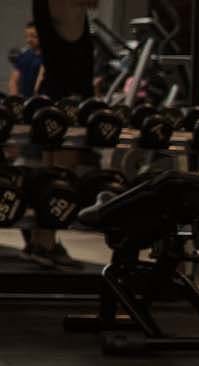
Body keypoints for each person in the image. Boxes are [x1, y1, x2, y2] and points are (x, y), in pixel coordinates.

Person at [23, 0, 97, 270]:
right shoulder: (62, 7)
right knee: (58, 174)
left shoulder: (60, 10)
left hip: (62, 92)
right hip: (66, 94)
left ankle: (42, 242)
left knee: (55, 170)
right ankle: (43, 243)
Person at [8, 22, 42, 98]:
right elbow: (13, 81)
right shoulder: (24, 56)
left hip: (42, 101)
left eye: (33, 36)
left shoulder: (49, 57)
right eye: (26, 36)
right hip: (25, 101)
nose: (29, 40)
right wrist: (15, 99)